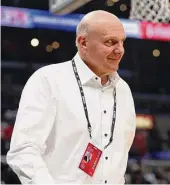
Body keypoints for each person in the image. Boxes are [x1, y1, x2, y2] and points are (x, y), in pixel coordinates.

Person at [7, 10, 136, 184]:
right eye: (110, 42)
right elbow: (23, 150)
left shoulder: (124, 90)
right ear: (83, 42)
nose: (119, 50)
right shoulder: (48, 80)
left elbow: (119, 159)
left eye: (122, 42)